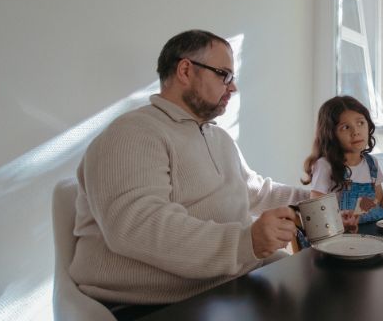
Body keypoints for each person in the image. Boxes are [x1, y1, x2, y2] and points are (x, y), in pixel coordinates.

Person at [69, 30, 309, 318]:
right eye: (224, 74)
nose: (232, 88)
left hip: (231, 279)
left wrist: (312, 199)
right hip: (162, 302)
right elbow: (139, 226)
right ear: (185, 70)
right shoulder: (132, 134)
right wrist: (248, 242)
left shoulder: (218, 138)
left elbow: (255, 191)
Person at [302, 96, 383, 225]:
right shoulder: (325, 166)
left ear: (368, 125)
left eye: (360, 123)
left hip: (370, 237)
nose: (356, 132)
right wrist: (341, 222)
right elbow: (316, 215)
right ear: (331, 134)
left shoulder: (372, 164)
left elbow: (382, 209)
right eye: (345, 127)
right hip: (339, 241)